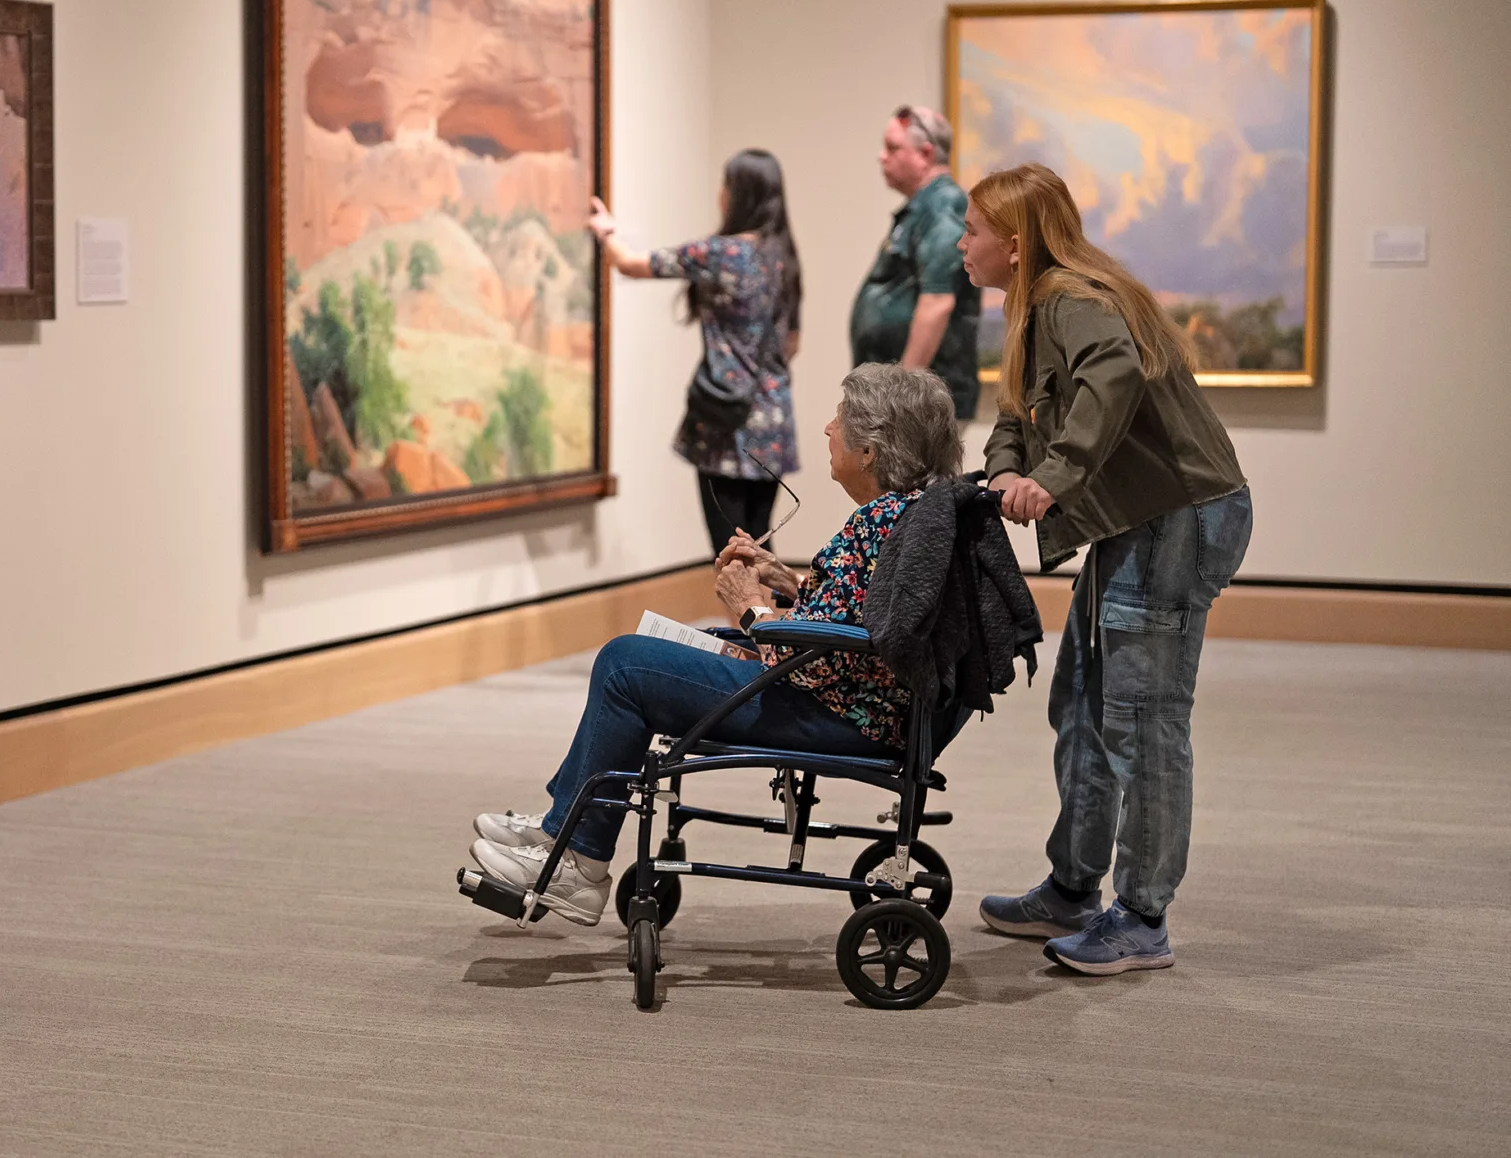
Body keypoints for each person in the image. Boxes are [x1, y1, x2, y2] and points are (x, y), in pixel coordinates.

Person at [468, 364, 960, 922]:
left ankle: (577, 863)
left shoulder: (882, 522)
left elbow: (820, 661)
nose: (827, 428)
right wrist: (786, 579)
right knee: (658, 653)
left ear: (870, 450)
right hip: (859, 705)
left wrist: (751, 606)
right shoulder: (913, 513)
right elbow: (869, 615)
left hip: (831, 712)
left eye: (840, 420)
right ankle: (566, 819)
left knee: (626, 665)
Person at [960, 163, 1252, 976]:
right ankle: (1073, 888)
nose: (961, 242)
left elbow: (1113, 375)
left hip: (1177, 517)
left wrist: (1049, 481)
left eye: (972, 229)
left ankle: (1144, 917)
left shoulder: (1074, 301)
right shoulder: (1033, 312)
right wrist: (1003, 471)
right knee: (1083, 702)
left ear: (1013, 247)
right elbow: (1014, 417)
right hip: (1137, 522)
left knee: (1141, 719)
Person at [587, 149, 803, 556]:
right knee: (760, 543)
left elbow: (631, 263)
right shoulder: (783, 257)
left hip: (727, 424)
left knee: (731, 553)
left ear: (737, 194)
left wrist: (606, 229)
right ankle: (775, 620)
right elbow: (792, 343)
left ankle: (750, 621)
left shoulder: (721, 254)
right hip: (773, 421)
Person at [850, 106, 982, 422]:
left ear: (925, 154)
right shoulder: (922, 208)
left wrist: (901, 396)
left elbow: (936, 303)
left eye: (893, 148)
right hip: (903, 396)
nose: (882, 157)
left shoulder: (941, 208)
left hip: (919, 404)